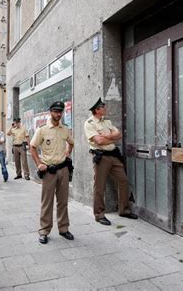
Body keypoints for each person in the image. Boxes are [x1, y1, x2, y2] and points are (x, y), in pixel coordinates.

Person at [84, 97, 138, 226]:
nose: (105, 108)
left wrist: (108, 137)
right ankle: (99, 214)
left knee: (123, 181)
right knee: (99, 186)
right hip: (101, 157)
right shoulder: (90, 123)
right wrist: (112, 138)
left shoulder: (107, 121)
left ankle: (124, 210)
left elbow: (119, 134)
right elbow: (99, 141)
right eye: (103, 107)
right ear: (97, 110)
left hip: (114, 155)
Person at [30, 101, 75, 244]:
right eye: (56, 111)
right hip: (49, 171)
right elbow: (32, 147)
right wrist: (39, 164)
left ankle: (63, 229)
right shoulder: (42, 130)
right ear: (50, 112)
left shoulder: (65, 129)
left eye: (60, 111)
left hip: (63, 170)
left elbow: (71, 142)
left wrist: (68, 153)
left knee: (63, 202)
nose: (58, 114)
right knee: (47, 202)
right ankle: (44, 231)